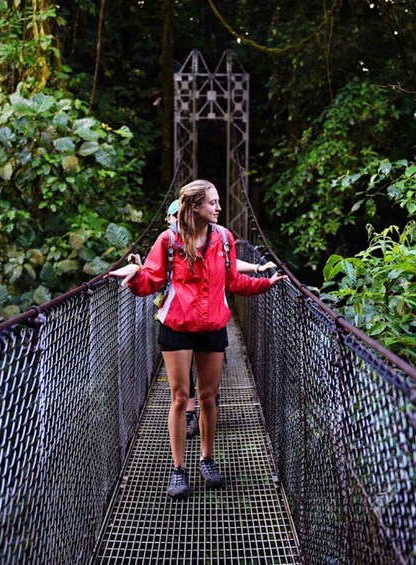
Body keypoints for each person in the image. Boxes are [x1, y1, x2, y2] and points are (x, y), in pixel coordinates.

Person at [109, 180, 286, 499]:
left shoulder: (225, 239)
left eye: (219, 202)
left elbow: (232, 281)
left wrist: (264, 284)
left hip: (213, 325)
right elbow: (152, 281)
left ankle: (207, 459)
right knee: (179, 398)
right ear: (194, 207)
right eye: (212, 203)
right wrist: (135, 275)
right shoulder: (168, 240)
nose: (219, 208)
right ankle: (178, 469)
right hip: (177, 326)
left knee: (207, 398)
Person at [163, 198, 275, 439]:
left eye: (175, 216)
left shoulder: (217, 240)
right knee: (182, 384)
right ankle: (190, 416)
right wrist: (136, 272)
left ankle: (204, 410)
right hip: (177, 318)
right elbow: (152, 273)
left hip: (211, 317)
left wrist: (258, 271)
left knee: (206, 380)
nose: (173, 222)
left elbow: (229, 269)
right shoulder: (169, 241)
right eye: (171, 217)